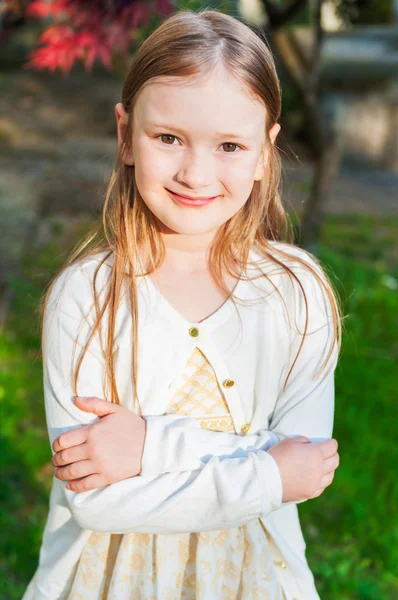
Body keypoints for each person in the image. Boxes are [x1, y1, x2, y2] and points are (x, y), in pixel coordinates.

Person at [22, 8, 342, 600]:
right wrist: (266, 471)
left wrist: (149, 446)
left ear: (266, 149)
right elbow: (97, 500)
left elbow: (308, 466)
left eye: (228, 145)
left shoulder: (296, 295)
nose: (196, 173)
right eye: (168, 138)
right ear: (124, 136)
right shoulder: (87, 299)